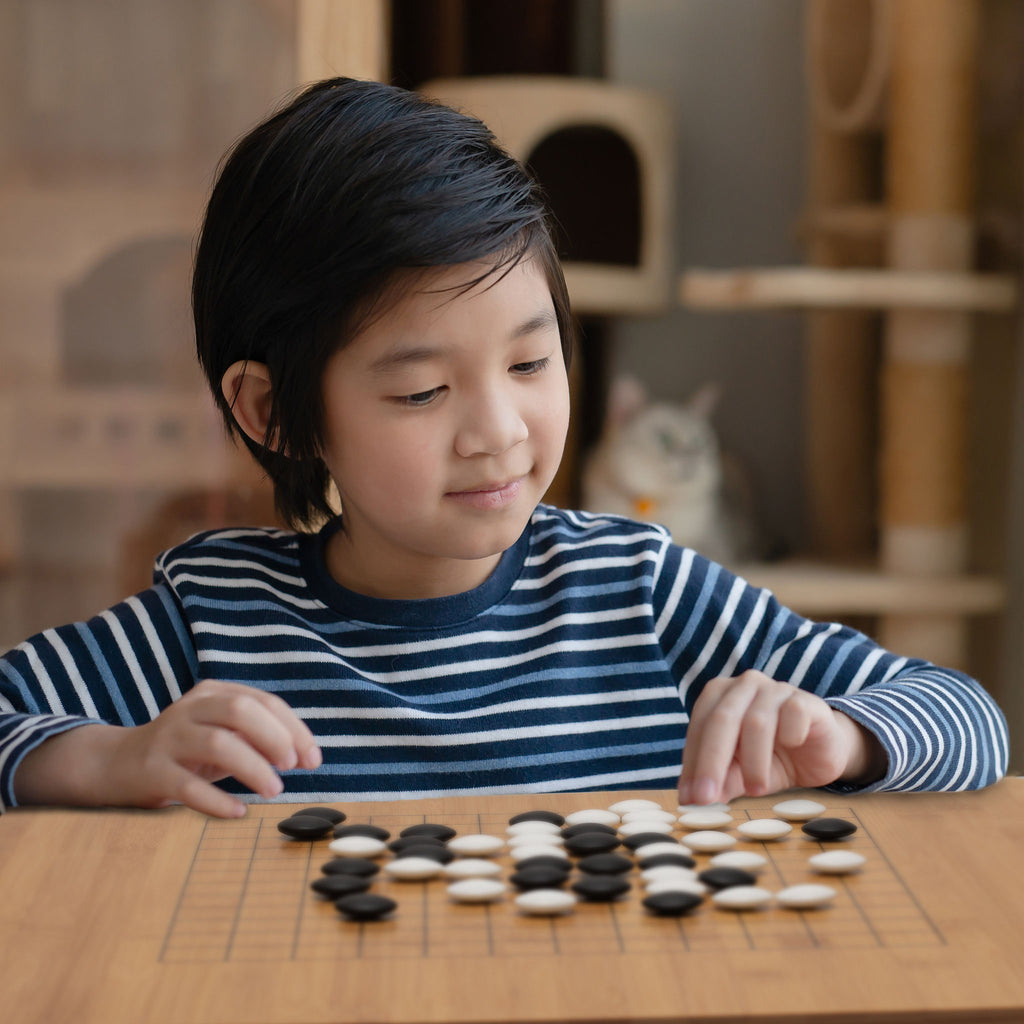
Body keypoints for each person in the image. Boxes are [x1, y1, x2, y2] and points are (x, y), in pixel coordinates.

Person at [0, 78, 1008, 819]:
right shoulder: (213, 615)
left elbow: (968, 719)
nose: (500, 431)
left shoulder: (640, 590)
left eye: (531, 364)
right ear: (273, 412)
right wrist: (103, 760)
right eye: (421, 389)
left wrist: (846, 735)